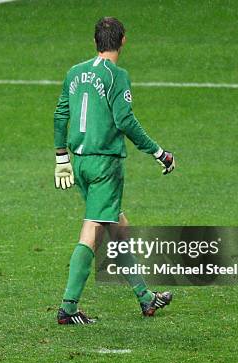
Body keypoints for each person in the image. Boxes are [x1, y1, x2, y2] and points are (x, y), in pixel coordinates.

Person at [53, 17, 175, 325]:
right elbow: (125, 121)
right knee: (92, 234)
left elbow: (60, 114)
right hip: (104, 165)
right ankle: (68, 308)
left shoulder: (75, 72)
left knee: (118, 228)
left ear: (95, 42)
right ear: (123, 41)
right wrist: (158, 152)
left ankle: (146, 299)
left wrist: (60, 157)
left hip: (79, 163)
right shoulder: (117, 76)